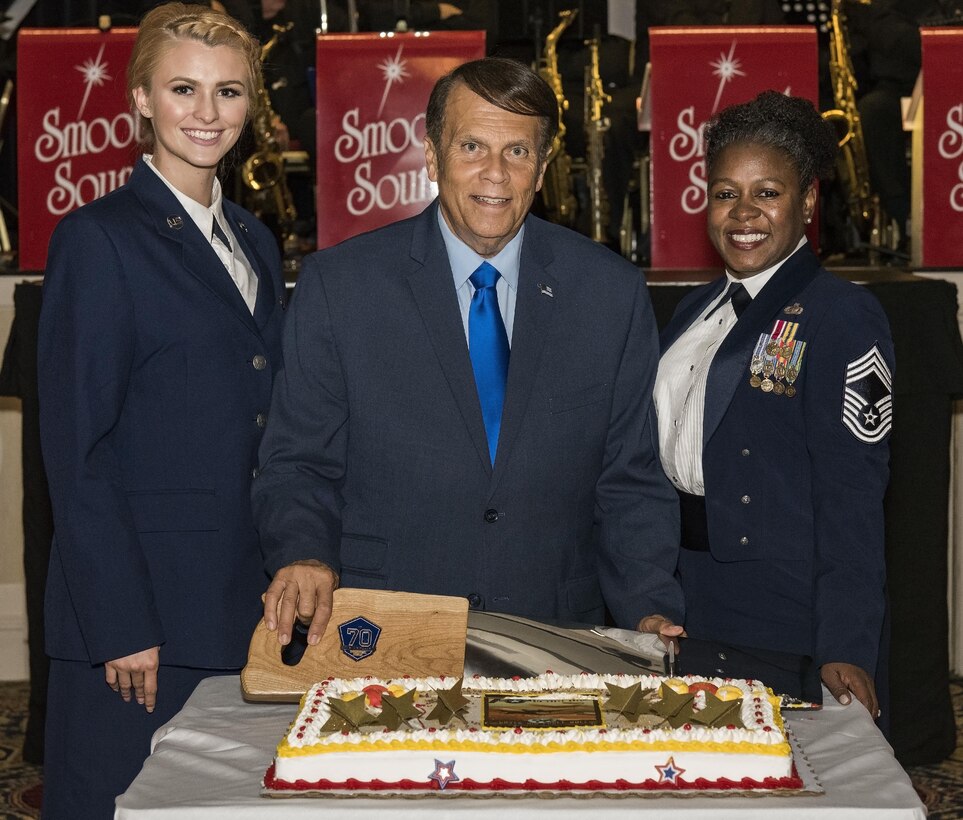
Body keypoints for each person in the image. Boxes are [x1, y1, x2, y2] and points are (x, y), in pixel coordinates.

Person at [251, 56, 684, 651]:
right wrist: (303, 553)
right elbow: (299, 463)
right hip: (383, 632)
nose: (496, 175)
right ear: (431, 156)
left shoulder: (609, 293)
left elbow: (631, 481)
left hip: (556, 635)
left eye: (518, 152)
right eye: (473, 146)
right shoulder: (341, 287)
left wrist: (649, 609)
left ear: (543, 168)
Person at [37, 5, 285, 816]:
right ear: (141, 98)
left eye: (229, 92)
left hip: (238, 606)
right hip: (140, 625)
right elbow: (79, 450)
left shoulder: (255, 240)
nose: (208, 114)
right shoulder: (97, 240)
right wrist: (119, 623)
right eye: (184, 89)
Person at [655, 91, 893, 717]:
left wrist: (847, 644)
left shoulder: (843, 316)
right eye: (726, 192)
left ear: (808, 201)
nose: (743, 213)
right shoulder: (691, 311)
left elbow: (854, 498)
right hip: (685, 599)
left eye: (768, 192)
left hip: (781, 615)